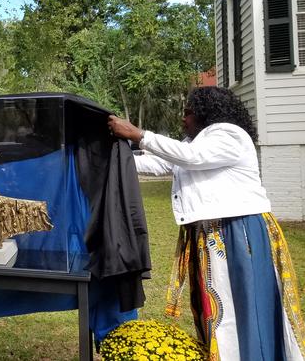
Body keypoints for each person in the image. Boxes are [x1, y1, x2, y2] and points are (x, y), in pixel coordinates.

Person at [108, 86, 304, 360]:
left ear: (206, 114)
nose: (183, 119)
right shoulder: (195, 142)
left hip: (240, 232)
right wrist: (114, 157)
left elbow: (192, 158)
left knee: (248, 305)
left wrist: (139, 135)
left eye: (188, 113)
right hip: (213, 235)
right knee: (217, 308)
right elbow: (161, 164)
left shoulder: (229, 134)